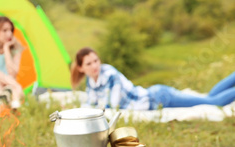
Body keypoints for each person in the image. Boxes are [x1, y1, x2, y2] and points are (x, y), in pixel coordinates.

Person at [71, 47, 235, 110]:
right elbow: (91, 102)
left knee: (215, 103)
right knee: (208, 98)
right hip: (155, 95)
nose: (94, 66)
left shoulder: (110, 75)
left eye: (96, 60)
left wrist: (89, 110)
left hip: (158, 98)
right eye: (89, 63)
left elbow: (111, 105)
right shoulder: (91, 80)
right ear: (81, 68)